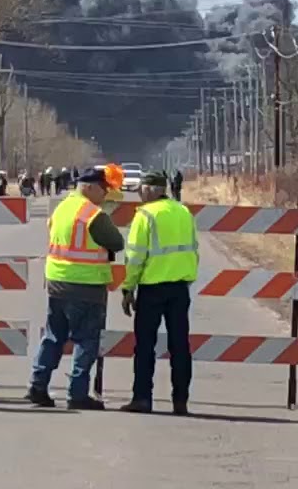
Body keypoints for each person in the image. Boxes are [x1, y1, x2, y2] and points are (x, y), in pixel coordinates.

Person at [26, 167, 125, 410]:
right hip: (86, 284)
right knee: (86, 340)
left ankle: (38, 385)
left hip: (57, 280)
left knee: (53, 336)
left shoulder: (62, 208)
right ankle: (77, 393)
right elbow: (116, 242)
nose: (105, 195)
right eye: (103, 190)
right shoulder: (92, 214)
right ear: (89, 187)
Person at [118, 172, 198, 416]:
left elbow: (135, 256)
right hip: (179, 287)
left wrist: (128, 288)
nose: (140, 191)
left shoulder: (145, 215)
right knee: (180, 345)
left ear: (152, 189)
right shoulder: (183, 212)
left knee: (145, 346)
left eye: (142, 187)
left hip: (152, 287)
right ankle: (180, 400)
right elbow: (194, 248)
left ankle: (142, 397)